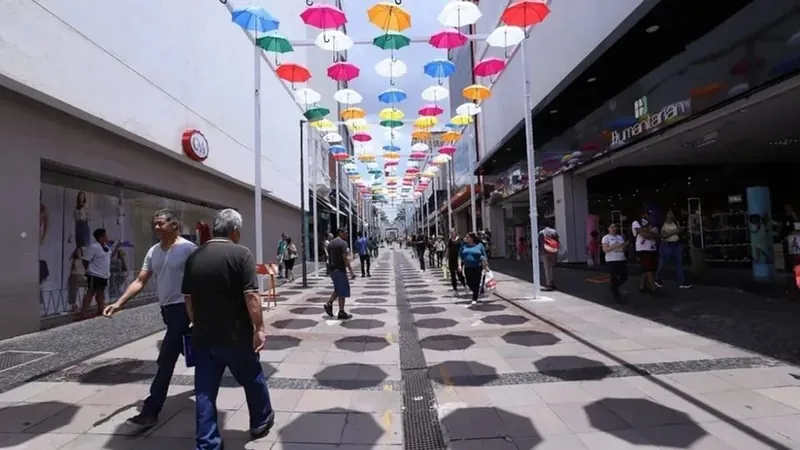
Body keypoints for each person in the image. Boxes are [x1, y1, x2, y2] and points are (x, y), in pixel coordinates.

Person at [181, 209, 275, 448]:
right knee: (252, 378)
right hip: (236, 335)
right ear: (235, 231)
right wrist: (259, 327)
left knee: (204, 392)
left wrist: (195, 322)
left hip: (204, 335)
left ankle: (207, 442)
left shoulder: (195, 255)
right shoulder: (241, 254)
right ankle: (260, 421)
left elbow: (188, 298)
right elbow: (251, 295)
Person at [103, 209, 197, 429]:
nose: (156, 228)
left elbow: (199, 282)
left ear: (175, 225)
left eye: (161, 224)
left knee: (166, 359)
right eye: (154, 224)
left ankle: (150, 411)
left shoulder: (188, 250)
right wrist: (120, 302)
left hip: (183, 310)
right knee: (196, 352)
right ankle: (221, 369)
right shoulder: (153, 251)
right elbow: (140, 280)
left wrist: (196, 313)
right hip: (167, 311)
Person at [79, 228, 115, 320]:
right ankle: (83, 312)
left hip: (104, 274)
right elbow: (86, 259)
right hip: (95, 274)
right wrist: (87, 271)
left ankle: (100, 309)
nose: (107, 237)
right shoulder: (94, 247)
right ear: (101, 237)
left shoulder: (106, 247)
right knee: (90, 293)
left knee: (101, 293)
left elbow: (110, 257)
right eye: (105, 235)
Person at [655, 210, 691, 289]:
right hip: (666, 244)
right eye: (669, 213)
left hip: (676, 244)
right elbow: (663, 235)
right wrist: (675, 231)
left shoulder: (676, 223)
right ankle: (657, 278)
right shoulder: (663, 224)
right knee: (664, 262)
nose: (671, 215)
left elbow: (680, 232)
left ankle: (682, 281)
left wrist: (679, 231)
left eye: (672, 213)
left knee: (679, 263)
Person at [326, 228, 356, 320]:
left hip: (331, 270)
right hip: (340, 270)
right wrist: (351, 272)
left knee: (338, 289)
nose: (346, 235)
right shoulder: (343, 244)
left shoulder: (330, 243)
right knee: (342, 291)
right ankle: (341, 311)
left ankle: (329, 304)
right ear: (340, 233)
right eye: (345, 233)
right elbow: (345, 258)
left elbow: (329, 256)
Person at [632, 210, 659, 294]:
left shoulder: (652, 224)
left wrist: (649, 233)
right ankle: (652, 287)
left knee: (649, 268)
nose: (646, 215)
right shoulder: (636, 223)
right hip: (642, 248)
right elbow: (643, 234)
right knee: (648, 268)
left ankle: (642, 286)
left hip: (652, 248)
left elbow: (658, 235)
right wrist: (651, 233)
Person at [459, 232, 489, 306]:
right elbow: (460, 256)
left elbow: (484, 256)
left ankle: (474, 298)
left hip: (477, 267)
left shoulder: (479, 246)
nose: (466, 238)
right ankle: (475, 291)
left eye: (467, 237)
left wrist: (486, 266)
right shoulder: (464, 246)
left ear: (472, 238)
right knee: (469, 282)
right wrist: (459, 265)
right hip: (467, 267)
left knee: (476, 282)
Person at [601, 223, 629, 303]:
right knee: (614, 277)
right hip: (612, 260)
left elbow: (623, 248)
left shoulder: (620, 237)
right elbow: (605, 249)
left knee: (624, 277)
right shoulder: (606, 238)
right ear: (608, 228)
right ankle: (617, 296)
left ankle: (614, 287)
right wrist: (615, 246)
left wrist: (625, 246)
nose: (614, 228)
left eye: (615, 227)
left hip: (621, 258)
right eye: (612, 227)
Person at [538, 222, 559, 291]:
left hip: (544, 252)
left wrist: (539, 252)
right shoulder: (554, 231)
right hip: (553, 251)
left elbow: (539, 243)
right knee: (552, 267)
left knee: (547, 268)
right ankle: (552, 281)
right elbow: (557, 241)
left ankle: (549, 284)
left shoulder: (541, 232)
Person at [447, 228, 467, 295]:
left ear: (455, 232)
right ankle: (455, 290)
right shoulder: (450, 240)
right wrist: (445, 259)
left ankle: (464, 285)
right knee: (452, 275)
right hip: (451, 259)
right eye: (450, 233)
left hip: (458, 259)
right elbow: (448, 250)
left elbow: (463, 249)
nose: (451, 234)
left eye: (452, 232)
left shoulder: (460, 239)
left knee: (459, 274)